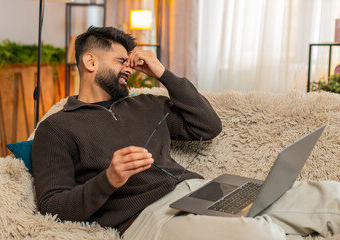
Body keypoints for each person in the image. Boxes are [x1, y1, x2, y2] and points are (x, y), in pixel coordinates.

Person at [32, 26, 340, 240]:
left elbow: (208, 126)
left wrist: (163, 74)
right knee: (259, 232)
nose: (128, 67)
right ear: (90, 61)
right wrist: (108, 179)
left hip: (201, 190)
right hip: (148, 217)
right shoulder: (57, 128)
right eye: (120, 61)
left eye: (129, 61)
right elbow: (53, 207)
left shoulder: (146, 104)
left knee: (329, 195)